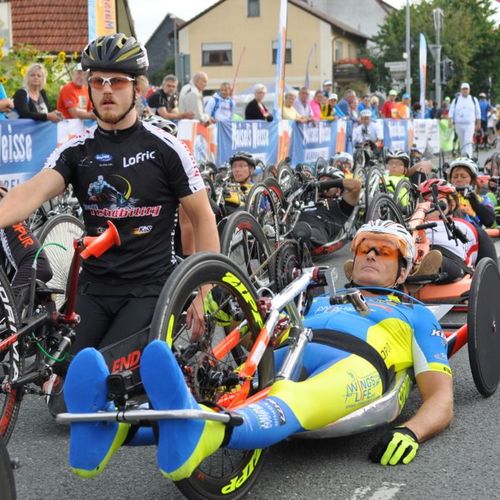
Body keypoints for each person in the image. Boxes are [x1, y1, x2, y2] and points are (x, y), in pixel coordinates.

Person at [63, 219, 453, 480]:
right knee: (231, 391)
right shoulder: (320, 301)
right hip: (293, 350)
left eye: (383, 251)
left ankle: (206, 432)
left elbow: (441, 397)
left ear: (403, 270)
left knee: (293, 395)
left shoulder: (416, 314)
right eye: (365, 246)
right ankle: (111, 425)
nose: (369, 254)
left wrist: (412, 432)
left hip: (360, 365)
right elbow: (263, 345)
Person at [0, 34, 218, 360]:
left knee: (106, 375)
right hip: (94, 287)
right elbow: (31, 192)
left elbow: (202, 218)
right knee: (60, 378)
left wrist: (204, 292)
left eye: (116, 81)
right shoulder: (77, 150)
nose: (105, 89)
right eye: (97, 81)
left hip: (150, 288)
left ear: (138, 88)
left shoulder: (166, 148)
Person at [418, 178, 496, 283]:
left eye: (435, 198)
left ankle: (424, 269)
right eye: (424, 200)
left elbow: (491, 270)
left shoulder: (465, 225)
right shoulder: (410, 224)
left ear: (452, 203)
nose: (428, 204)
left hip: (451, 261)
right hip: (415, 255)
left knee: (438, 260)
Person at [291, 167, 361, 249]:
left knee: (303, 233)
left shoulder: (340, 206)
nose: (323, 182)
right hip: (292, 225)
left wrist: (325, 184)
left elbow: (356, 185)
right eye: (321, 179)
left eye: (328, 180)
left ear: (338, 190)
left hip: (315, 230)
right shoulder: (307, 198)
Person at [447, 157, 495, 228]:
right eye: (455, 177)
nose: (459, 179)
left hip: (474, 235)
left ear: (472, 180)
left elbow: (489, 221)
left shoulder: (483, 199)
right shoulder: (445, 198)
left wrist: (474, 202)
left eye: (463, 177)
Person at [448, 83, 481, 158]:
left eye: (466, 89)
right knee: (462, 141)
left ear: (469, 90)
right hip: (458, 124)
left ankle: (468, 157)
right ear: (461, 90)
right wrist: (450, 121)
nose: (465, 91)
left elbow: (478, 111)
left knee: (468, 141)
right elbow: (451, 111)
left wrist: (479, 123)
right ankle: (463, 157)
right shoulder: (456, 100)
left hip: (469, 124)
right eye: (463, 89)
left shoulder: (473, 99)